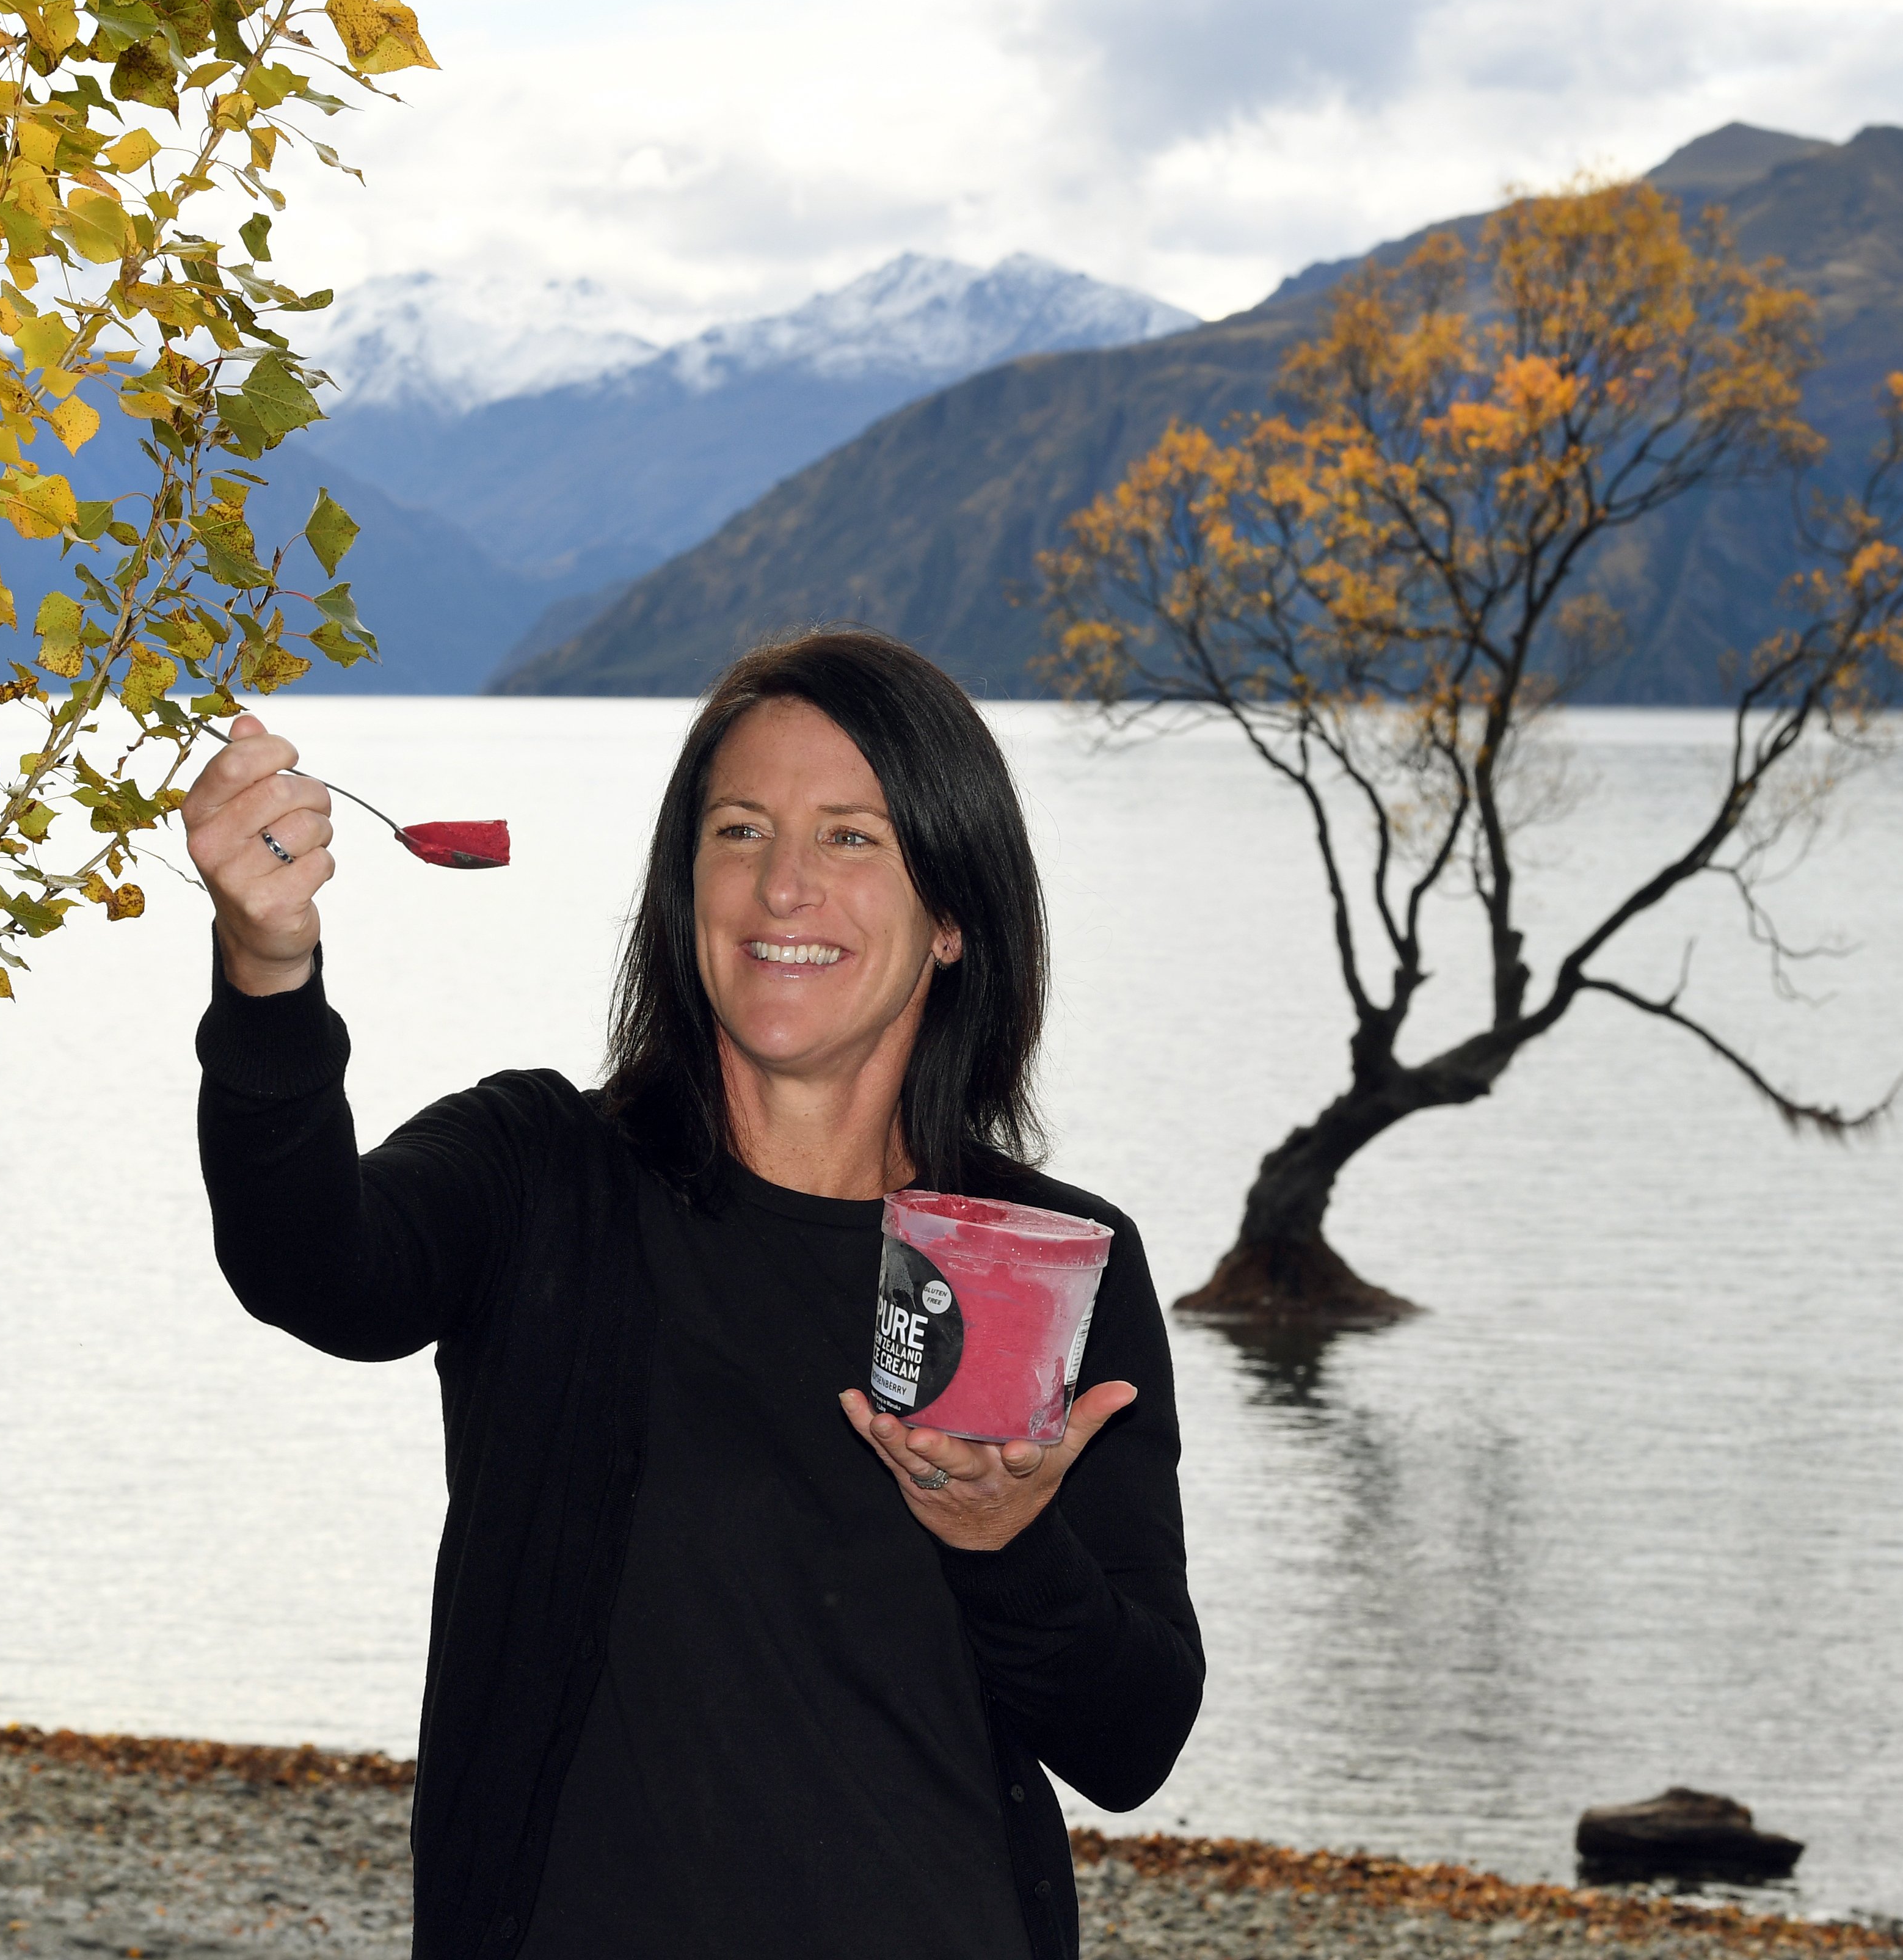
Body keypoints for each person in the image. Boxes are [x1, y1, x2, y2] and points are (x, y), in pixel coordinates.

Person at [184, 629, 1202, 1960]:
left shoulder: (1040, 1258)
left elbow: (1130, 1739)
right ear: (685, 887)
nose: (784, 886)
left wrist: (1007, 1541)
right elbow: (307, 1265)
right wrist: (269, 975)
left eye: (851, 838)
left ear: (952, 915)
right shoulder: (540, 1172)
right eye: (739, 830)